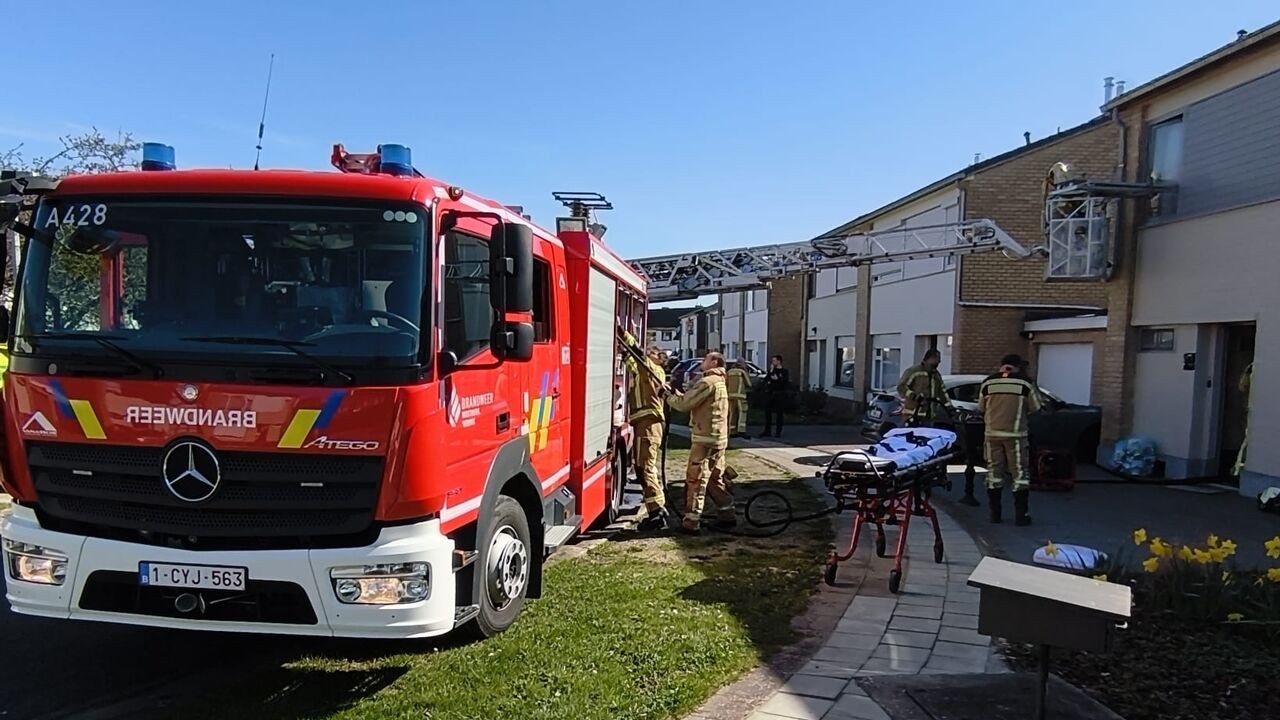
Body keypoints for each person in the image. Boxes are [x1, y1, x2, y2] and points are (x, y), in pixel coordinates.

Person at [667, 351, 735, 533]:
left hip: (705, 439)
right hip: (718, 439)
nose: (702, 362)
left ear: (714, 362)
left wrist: (667, 397)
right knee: (714, 479)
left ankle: (691, 522)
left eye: (705, 359)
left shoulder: (708, 382)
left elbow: (684, 405)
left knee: (696, 479)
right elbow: (694, 400)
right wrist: (679, 394)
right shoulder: (720, 381)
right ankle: (727, 514)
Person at [978, 354, 1042, 526]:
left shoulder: (988, 382)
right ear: (1017, 366)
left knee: (994, 473)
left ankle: (995, 514)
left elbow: (981, 408)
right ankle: (1021, 516)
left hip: (992, 435)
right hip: (1016, 436)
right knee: (1020, 474)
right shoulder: (1025, 383)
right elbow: (1036, 407)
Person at [620, 330, 672, 531]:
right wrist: (623, 352)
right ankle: (656, 509)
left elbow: (638, 356)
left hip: (648, 424)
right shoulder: (645, 372)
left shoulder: (654, 370)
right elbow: (633, 365)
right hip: (645, 424)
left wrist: (623, 335)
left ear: (659, 360)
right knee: (642, 467)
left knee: (645, 467)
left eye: (653, 353)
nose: (648, 354)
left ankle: (657, 513)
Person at [897, 349, 953, 425]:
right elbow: (901, 387)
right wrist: (913, 396)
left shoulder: (936, 375)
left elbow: (942, 392)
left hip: (930, 417)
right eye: (937, 360)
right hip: (913, 415)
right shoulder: (914, 371)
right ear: (929, 359)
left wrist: (949, 407)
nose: (939, 362)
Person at [761, 355, 790, 438]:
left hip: (779, 395)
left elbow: (785, 383)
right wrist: (770, 371)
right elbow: (766, 380)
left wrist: (777, 379)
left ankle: (778, 432)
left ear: (779, 361)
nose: (773, 362)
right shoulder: (772, 371)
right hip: (770, 394)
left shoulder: (784, 372)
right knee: (768, 413)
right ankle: (767, 431)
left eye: (774, 361)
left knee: (779, 414)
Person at [725, 358, 752, 439]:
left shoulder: (729, 372)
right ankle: (741, 430)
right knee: (742, 412)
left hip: (730, 395)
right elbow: (749, 383)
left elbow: (726, 383)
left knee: (732, 413)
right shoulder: (742, 372)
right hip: (740, 396)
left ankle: (732, 431)